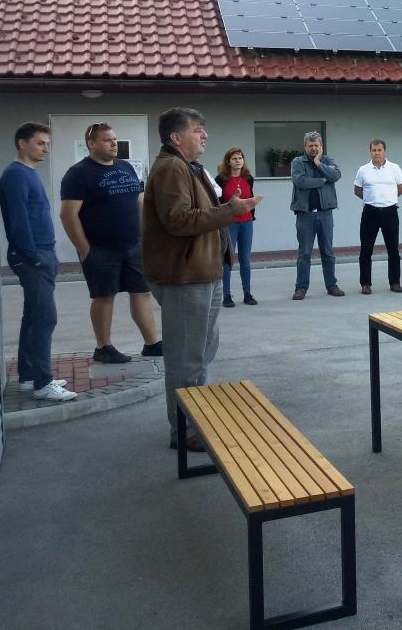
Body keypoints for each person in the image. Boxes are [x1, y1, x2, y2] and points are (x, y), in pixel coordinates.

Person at [143, 108, 261, 450]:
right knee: (185, 358)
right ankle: (184, 431)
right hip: (185, 277)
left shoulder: (188, 167)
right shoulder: (171, 168)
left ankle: (195, 420)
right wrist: (231, 211)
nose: (205, 135)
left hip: (202, 273)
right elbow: (178, 220)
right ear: (176, 137)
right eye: (197, 130)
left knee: (201, 352)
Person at [59, 122, 163, 362]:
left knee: (142, 292)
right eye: (107, 140)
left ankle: (152, 343)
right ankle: (103, 348)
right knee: (104, 296)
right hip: (100, 249)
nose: (114, 143)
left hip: (133, 245)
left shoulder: (126, 167)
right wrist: (84, 249)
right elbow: (68, 215)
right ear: (91, 144)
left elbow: (139, 201)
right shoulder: (78, 173)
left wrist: (145, 235)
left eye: (115, 139)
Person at [0, 122, 76, 403]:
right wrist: (34, 257)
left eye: (48, 144)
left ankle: (29, 377)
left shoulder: (27, 173)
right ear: (22, 143)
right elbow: (18, 222)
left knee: (33, 317)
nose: (46, 149)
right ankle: (43, 384)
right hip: (33, 257)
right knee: (45, 318)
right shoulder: (16, 176)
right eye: (40, 143)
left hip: (41, 254)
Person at [290, 131, 344, 300]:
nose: (313, 148)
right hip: (305, 215)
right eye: (310, 145)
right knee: (304, 253)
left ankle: (332, 285)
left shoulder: (327, 160)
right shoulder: (297, 162)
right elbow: (300, 182)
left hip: (325, 213)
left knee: (327, 252)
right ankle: (301, 288)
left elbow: (336, 175)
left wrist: (319, 163)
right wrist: (322, 180)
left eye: (316, 145)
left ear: (321, 146)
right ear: (305, 146)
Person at [354, 139, 402, 294]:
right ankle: (365, 284)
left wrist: (387, 199)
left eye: (379, 150)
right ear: (370, 152)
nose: (376, 153)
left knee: (393, 249)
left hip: (390, 212)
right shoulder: (363, 170)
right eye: (374, 150)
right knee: (366, 249)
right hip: (370, 212)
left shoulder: (394, 168)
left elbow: (401, 188)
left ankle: (395, 282)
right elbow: (357, 191)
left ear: (384, 151)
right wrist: (373, 200)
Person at [215, 147, 257, 306]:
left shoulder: (248, 178)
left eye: (240, 158)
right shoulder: (221, 179)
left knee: (245, 259)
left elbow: (250, 196)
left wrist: (253, 202)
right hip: (229, 223)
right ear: (228, 161)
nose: (238, 161)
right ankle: (226, 296)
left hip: (246, 222)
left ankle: (247, 294)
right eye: (234, 158)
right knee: (228, 260)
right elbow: (216, 202)